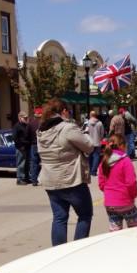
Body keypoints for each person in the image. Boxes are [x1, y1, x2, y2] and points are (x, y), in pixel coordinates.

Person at [37, 98, 95, 246]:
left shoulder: (41, 131)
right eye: (68, 111)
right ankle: (77, 250)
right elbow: (89, 146)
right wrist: (85, 133)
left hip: (50, 180)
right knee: (85, 215)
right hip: (71, 179)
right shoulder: (67, 128)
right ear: (63, 111)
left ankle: (58, 252)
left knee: (59, 218)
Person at [97, 133, 137, 232]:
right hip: (125, 202)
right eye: (125, 145)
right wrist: (133, 195)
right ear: (121, 146)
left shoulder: (104, 162)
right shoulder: (125, 161)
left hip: (110, 204)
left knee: (115, 232)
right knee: (135, 231)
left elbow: (101, 184)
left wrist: (110, 194)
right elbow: (131, 182)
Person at [12, 112, 33, 185]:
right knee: (21, 163)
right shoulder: (17, 126)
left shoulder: (26, 125)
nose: (26, 119)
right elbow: (15, 138)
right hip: (21, 147)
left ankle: (26, 178)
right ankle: (20, 179)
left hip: (27, 147)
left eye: (26, 118)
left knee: (27, 164)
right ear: (20, 118)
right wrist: (20, 146)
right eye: (24, 118)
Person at [85, 110, 106, 176]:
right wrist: (100, 139)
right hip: (97, 142)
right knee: (96, 156)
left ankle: (90, 169)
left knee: (90, 156)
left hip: (89, 142)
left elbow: (84, 132)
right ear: (95, 115)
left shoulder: (87, 123)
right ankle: (93, 171)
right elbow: (102, 133)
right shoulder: (100, 123)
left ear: (90, 115)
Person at [28, 107, 42, 185]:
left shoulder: (31, 123)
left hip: (33, 144)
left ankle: (34, 180)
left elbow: (27, 134)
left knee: (34, 162)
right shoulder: (43, 123)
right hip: (42, 144)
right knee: (44, 162)